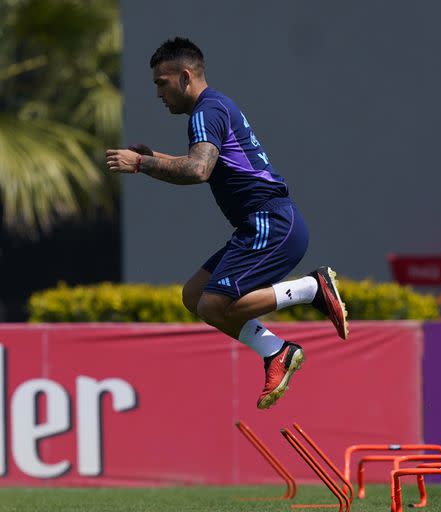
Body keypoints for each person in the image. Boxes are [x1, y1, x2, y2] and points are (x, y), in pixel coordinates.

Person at [106, 37, 349, 410]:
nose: (157, 93)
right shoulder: (214, 107)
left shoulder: (207, 111)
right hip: (261, 224)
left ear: (185, 76)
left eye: (161, 82)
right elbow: (201, 164)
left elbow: (198, 169)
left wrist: (141, 164)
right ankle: (276, 351)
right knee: (195, 297)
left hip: (271, 222)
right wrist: (156, 158)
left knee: (214, 304)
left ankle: (311, 291)